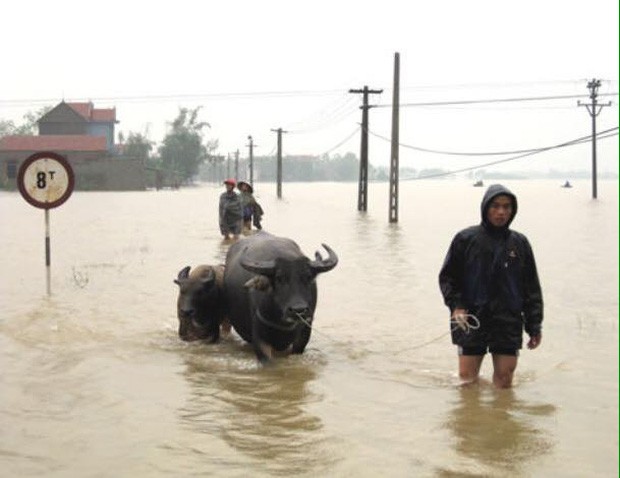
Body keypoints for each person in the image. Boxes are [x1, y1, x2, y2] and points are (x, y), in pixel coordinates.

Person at [438, 184, 543, 388]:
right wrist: (456, 305)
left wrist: (534, 325)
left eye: (506, 207)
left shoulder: (520, 243)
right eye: (495, 206)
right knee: (467, 379)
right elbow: (448, 277)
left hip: (508, 320)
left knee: (505, 380)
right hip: (470, 317)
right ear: (485, 208)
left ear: (513, 211)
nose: (501, 212)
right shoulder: (465, 239)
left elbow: (531, 288)